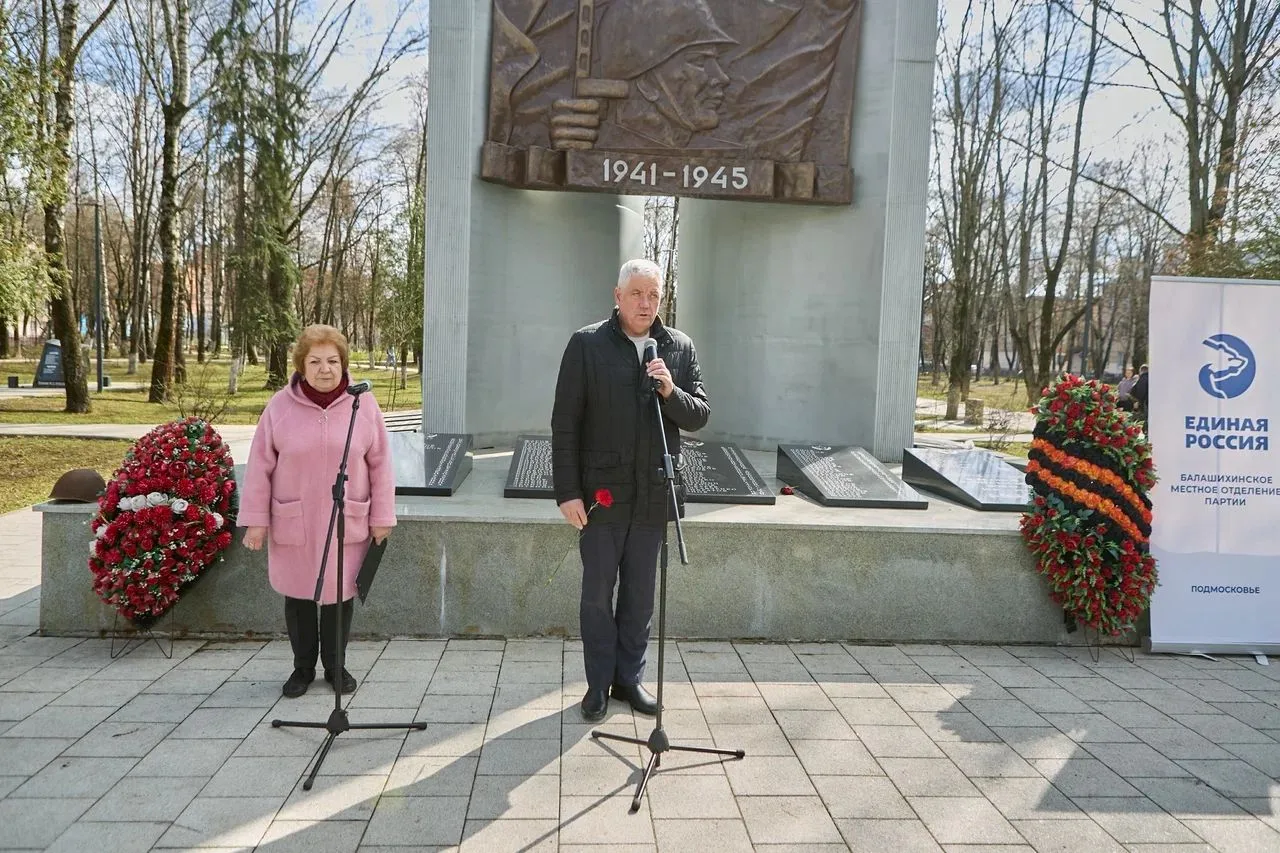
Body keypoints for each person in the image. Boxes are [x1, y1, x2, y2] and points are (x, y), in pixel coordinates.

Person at [551, 259, 710, 722]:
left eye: (654, 295)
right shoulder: (586, 344)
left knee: (640, 597)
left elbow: (698, 414)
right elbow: (565, 425)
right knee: (597, 596)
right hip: (601, 498)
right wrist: (568, 491)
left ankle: (629, 681)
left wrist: (670, 391)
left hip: (653, 496)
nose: (646, 302)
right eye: (637, 293)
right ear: (617, 295)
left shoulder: (678, 347)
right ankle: (598, 685)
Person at [239, 324, 396, 698]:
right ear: (301, 365)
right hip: (295, 520)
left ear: (343, 364)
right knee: (299, 599)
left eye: (332, 360)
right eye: (315, 361)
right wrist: (256, 522)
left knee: (339, 599)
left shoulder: (363, 404)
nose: (325, 369)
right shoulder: (279, 406)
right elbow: (260, 465)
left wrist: (382, 518)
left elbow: (381, 464)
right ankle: (303, 669)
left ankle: (336, 668)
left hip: (346, 521)